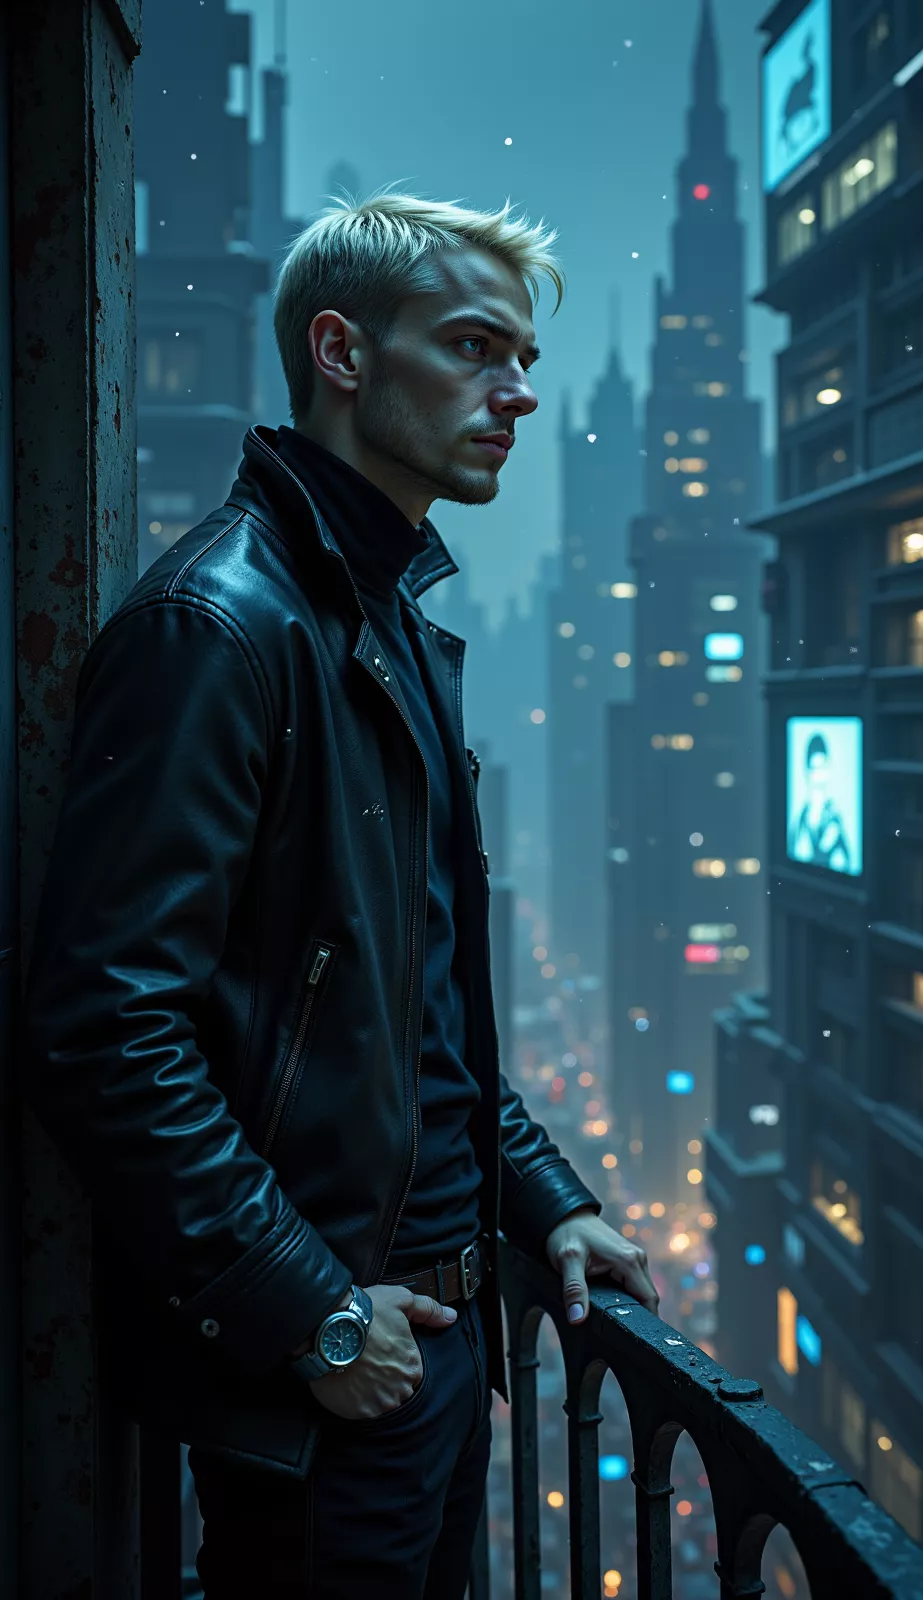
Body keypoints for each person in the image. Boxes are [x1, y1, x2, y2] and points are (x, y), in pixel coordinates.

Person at [19, 189, 659, 1599]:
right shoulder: (220, 625)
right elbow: (101, 1030)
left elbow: (408, 995)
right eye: (478, 348)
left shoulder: (391, 631)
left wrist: (545, 1196)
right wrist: (308, 1316)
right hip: (327, 1373)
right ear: (343, 352)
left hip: (426, 1336)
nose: (520, 394)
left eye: (528, 359)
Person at [788, 730, 852, 872]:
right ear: (807, 771)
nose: (819, 775)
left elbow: (845, 863)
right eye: (815, 768)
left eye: (823, 767)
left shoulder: (835, 819)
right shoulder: (799, 822)